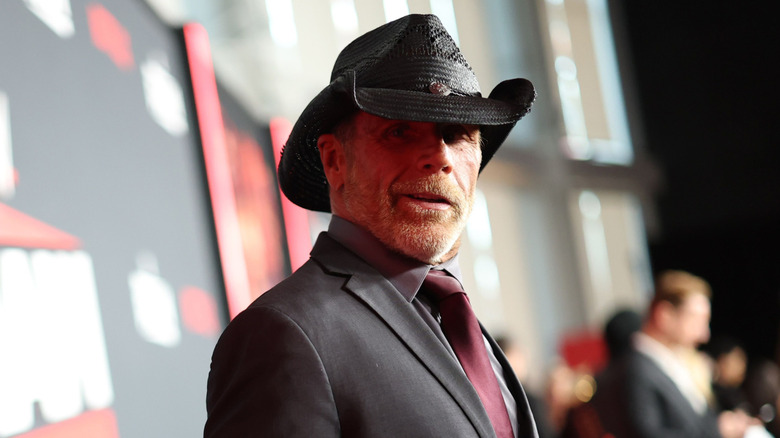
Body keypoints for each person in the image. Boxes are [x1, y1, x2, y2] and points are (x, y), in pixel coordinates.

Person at [204, 14, 538, 437]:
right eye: (399, 131)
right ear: (334, 160)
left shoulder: (461, 325)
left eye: (457, 134)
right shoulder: (282, 333)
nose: (439, 157)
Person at [612, 270, 758, 438]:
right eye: (697, 320)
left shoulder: (670, 361)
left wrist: (723, 423)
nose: (705, 335)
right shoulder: (636, 370)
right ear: (664, 315)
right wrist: (716, 431)